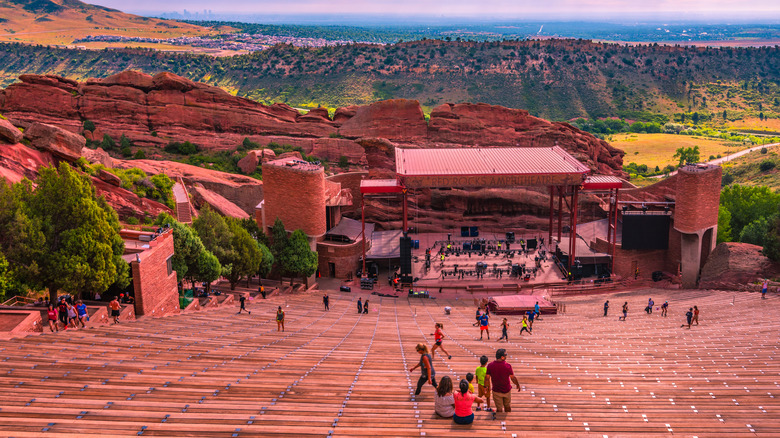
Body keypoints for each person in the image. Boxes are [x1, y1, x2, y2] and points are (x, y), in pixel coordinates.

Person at [485, 348, 520, 413]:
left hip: (496, 391)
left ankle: (500, 420)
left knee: (499, 409)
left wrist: (485, 387)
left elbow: (487, 378)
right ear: (502, 357)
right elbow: (513, 378)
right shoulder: (507, 366)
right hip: (506, 390)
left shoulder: (490, 365)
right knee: (507, 407)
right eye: (505, 355)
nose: (506, 356)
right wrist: (517, 384)